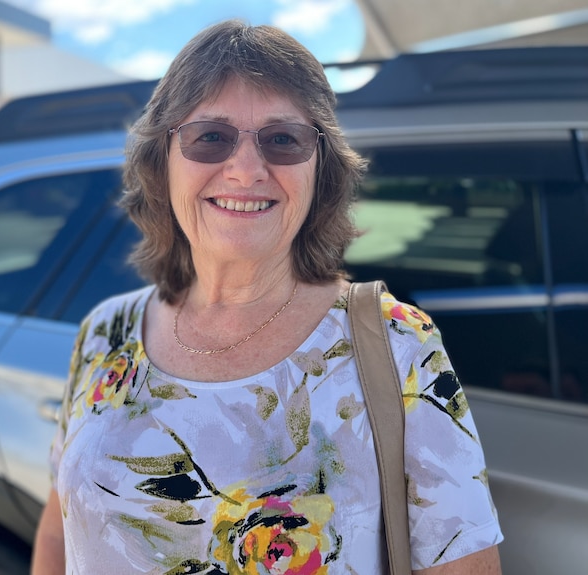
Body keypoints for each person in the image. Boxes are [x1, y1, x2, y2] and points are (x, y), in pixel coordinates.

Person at [32, 20, 503, 575]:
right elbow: (58, 534)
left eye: (283, 140)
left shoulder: (399, 345)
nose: (247, 169)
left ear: (319, 168)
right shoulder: (105, 332)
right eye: (210, 136)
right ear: (162, 162)